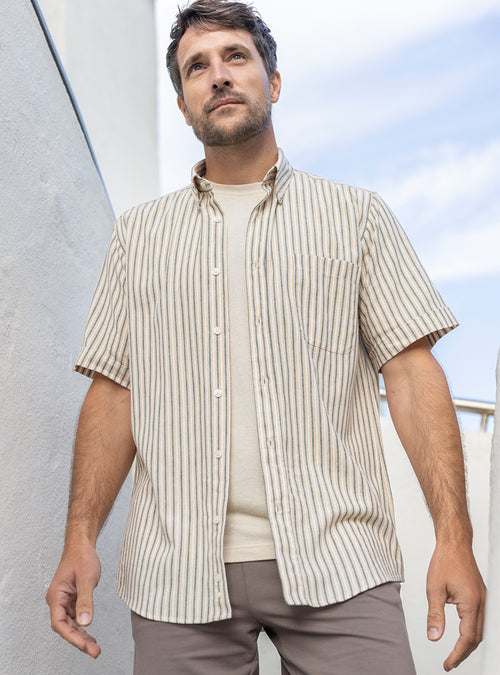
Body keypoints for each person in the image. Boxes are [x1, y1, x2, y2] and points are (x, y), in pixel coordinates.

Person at [46, 1, 486, 673]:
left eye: (235, 56)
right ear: (183, 104)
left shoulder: (357, 217)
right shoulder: (138, 237)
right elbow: (115, 393)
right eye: (197, 67)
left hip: (340, 562)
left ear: (273, 82)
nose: (218, 75)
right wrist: (79, 537)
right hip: (178, 577)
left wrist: (455, 538)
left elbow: (411, 374)